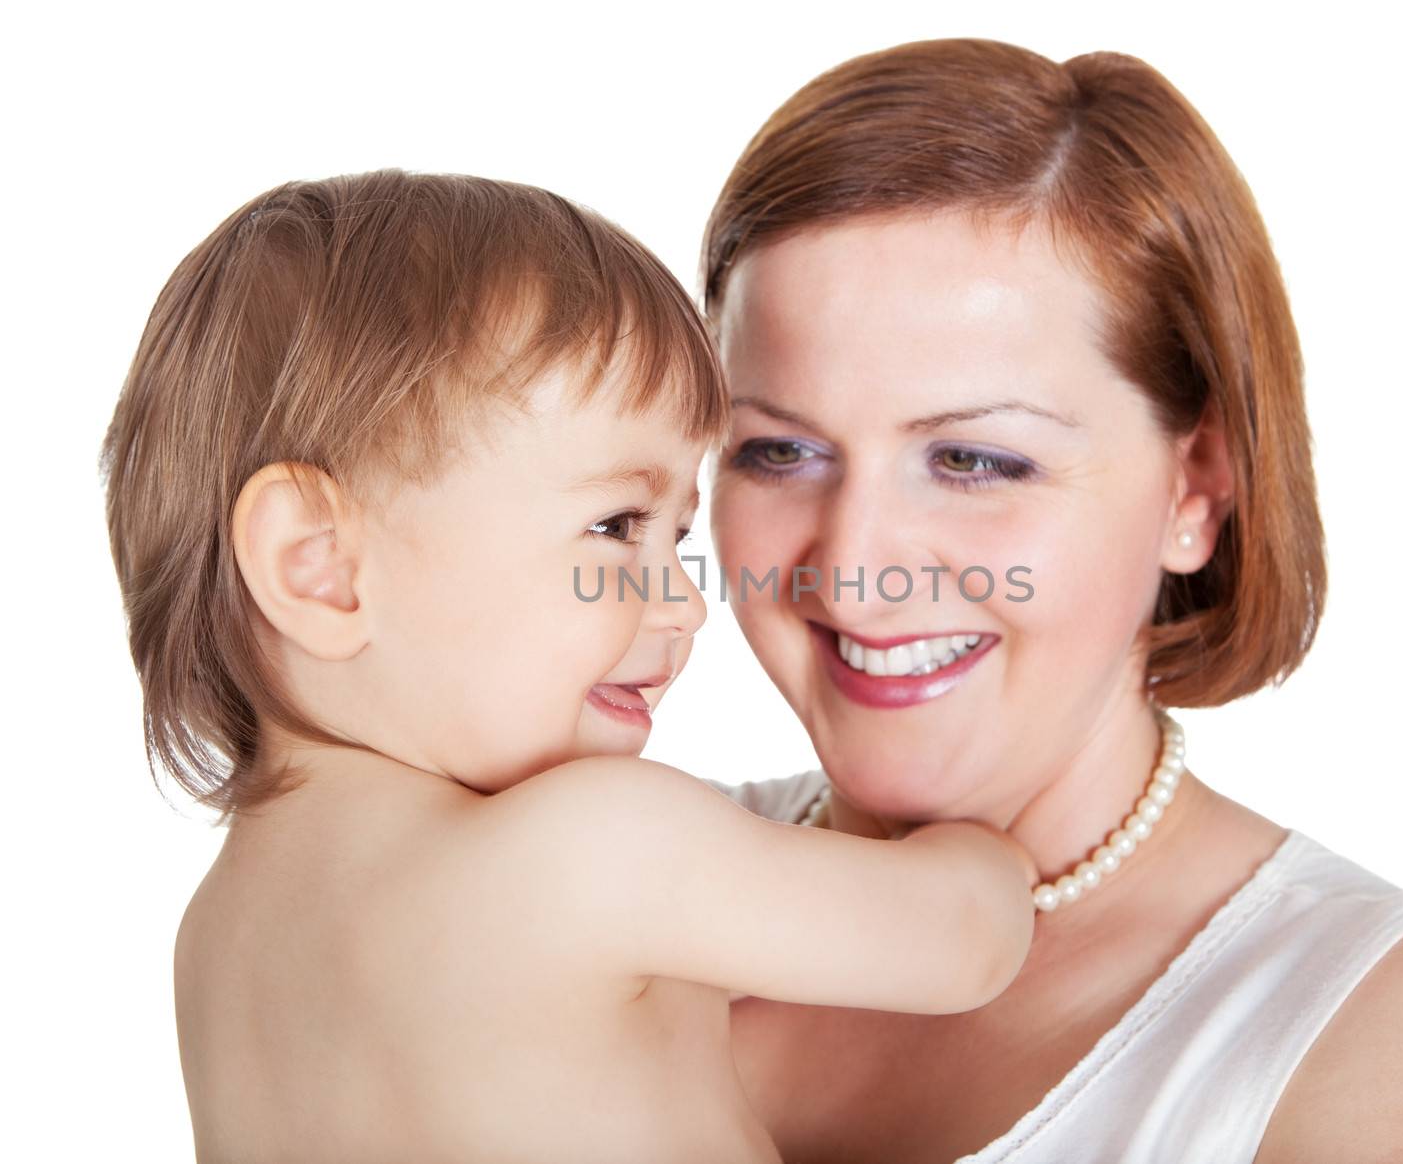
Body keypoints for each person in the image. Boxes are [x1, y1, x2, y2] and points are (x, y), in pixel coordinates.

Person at [698, 39, 1403, 1163]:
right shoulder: (579, 882)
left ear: (1195, 490)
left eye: (973, 461)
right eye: (777, 451)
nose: (855, 569)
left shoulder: (1398, 1026)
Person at [97, 169, 1041, 1163]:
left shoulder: (218, 941)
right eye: (616, 525)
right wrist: (988, 848)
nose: (683, 602)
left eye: (676, 537)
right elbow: (963, 941)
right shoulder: (590, 847)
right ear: (321, 567)